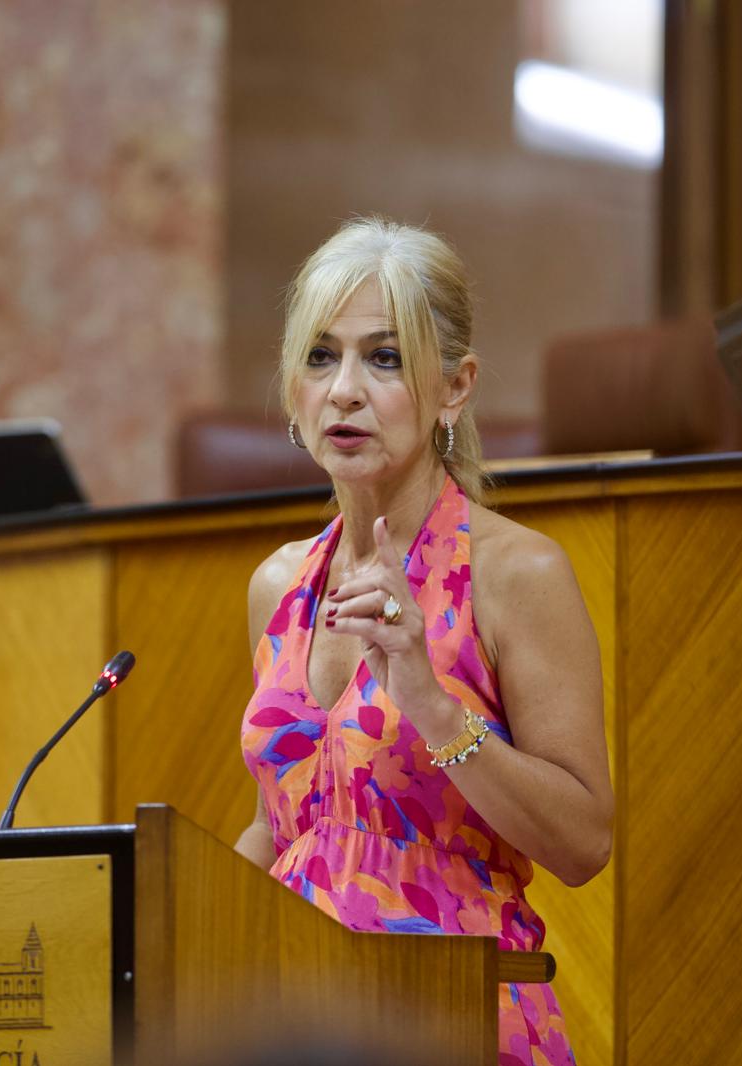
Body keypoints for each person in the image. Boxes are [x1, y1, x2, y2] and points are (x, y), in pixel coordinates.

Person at [237, 217, 614, 1066]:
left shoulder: (516, 575)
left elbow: (584, 841)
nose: (344, 390)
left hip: (454, 1023)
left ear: (455, 387)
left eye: (385, 357)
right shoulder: (279, 587)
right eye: (321, 357)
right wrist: (153, 922)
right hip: (300, 1029)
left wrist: (432, 705)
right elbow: (288, 820)